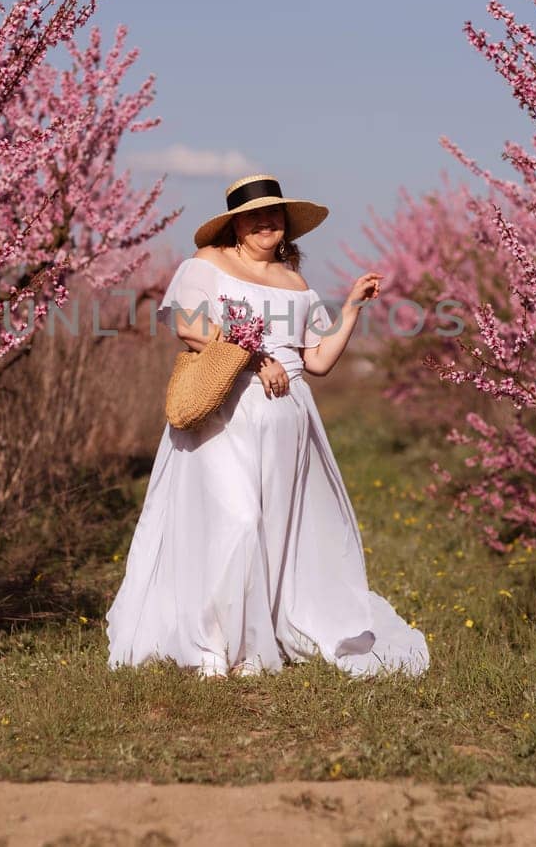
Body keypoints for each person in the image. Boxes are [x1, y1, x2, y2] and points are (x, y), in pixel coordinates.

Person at [105, 173, 429, 677]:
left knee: (274, 528)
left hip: (288, 420)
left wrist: (350, 310)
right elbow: (189, 326)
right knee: (236, 521)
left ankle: (260, 642)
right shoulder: (207, 265)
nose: (265, 222)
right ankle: (214, 647)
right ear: (235, 224)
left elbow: (317, 362)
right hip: (225, 412)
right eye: (255, 215)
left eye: (274, 215)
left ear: (286, 227)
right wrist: (255, 358)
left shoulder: (296, 284)